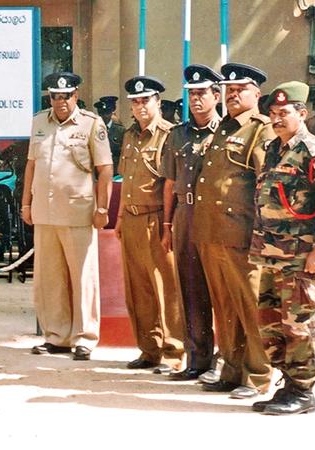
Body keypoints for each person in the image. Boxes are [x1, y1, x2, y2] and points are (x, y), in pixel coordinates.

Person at [249, 81, 315, 415]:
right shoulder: (275, 148)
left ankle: (303, 392)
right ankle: (287, 385)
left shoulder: (314, 151)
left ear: (301, 113)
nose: (277, 119)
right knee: (272, 323)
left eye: (284, 113)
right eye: (272, 113)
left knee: (300, 323)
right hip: (272, 254)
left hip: (301, 255)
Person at [192, 62, 274, 399]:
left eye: (240, 89)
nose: (233, 94)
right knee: (224, 306)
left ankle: (259, 376)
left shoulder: (260, 130)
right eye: (229, 89)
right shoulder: (224, 128)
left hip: (241, 234)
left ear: (256, 93)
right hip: (213, 232)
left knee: (251, 305)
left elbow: (264, 186)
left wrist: (261, 234)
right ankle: (231, 367)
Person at [21, 72, 112, 360]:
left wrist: (102, 208)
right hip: (45, 212)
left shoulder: (91, 124)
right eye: (55, 97)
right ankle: (57, 336)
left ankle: (84, 337)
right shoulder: (39, 122)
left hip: (77, 211)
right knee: (50, 278)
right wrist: (26, 204)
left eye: (66, 96)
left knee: (82, 276)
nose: (60, 102)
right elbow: (31, 166)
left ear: (76, 96)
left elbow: (105, 168)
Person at [115, 75, 184, 373]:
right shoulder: (130, 135)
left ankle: (173, 352)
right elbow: (126, 179)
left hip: (157, 218)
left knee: (166, 287)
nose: (140, 106)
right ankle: (149, 349)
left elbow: (172, 184)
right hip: (130, 219)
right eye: (136, 102)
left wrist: (168, 225)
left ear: (158, 102)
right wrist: (119, 217)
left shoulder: (170, 135)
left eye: (146, 100)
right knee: (138, 288)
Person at [160, 65, 221, 380]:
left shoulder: (225, 132)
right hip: (185, 217)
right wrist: (167, 226)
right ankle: (198, 359)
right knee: (191, 288)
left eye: (202, 93)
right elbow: (169, 183)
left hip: (217, 219)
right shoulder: (177, 134)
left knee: (222, 290)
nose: (196, 99)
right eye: (192, 93)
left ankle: (226, 362)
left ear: (216, 95)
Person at [94, 95, 125, 172]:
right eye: (101, 113)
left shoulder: (120, 131)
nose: (104, 116)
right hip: (98, 171)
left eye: (107, 113)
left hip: (116, 172)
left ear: (112, 112)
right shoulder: (93, 129)